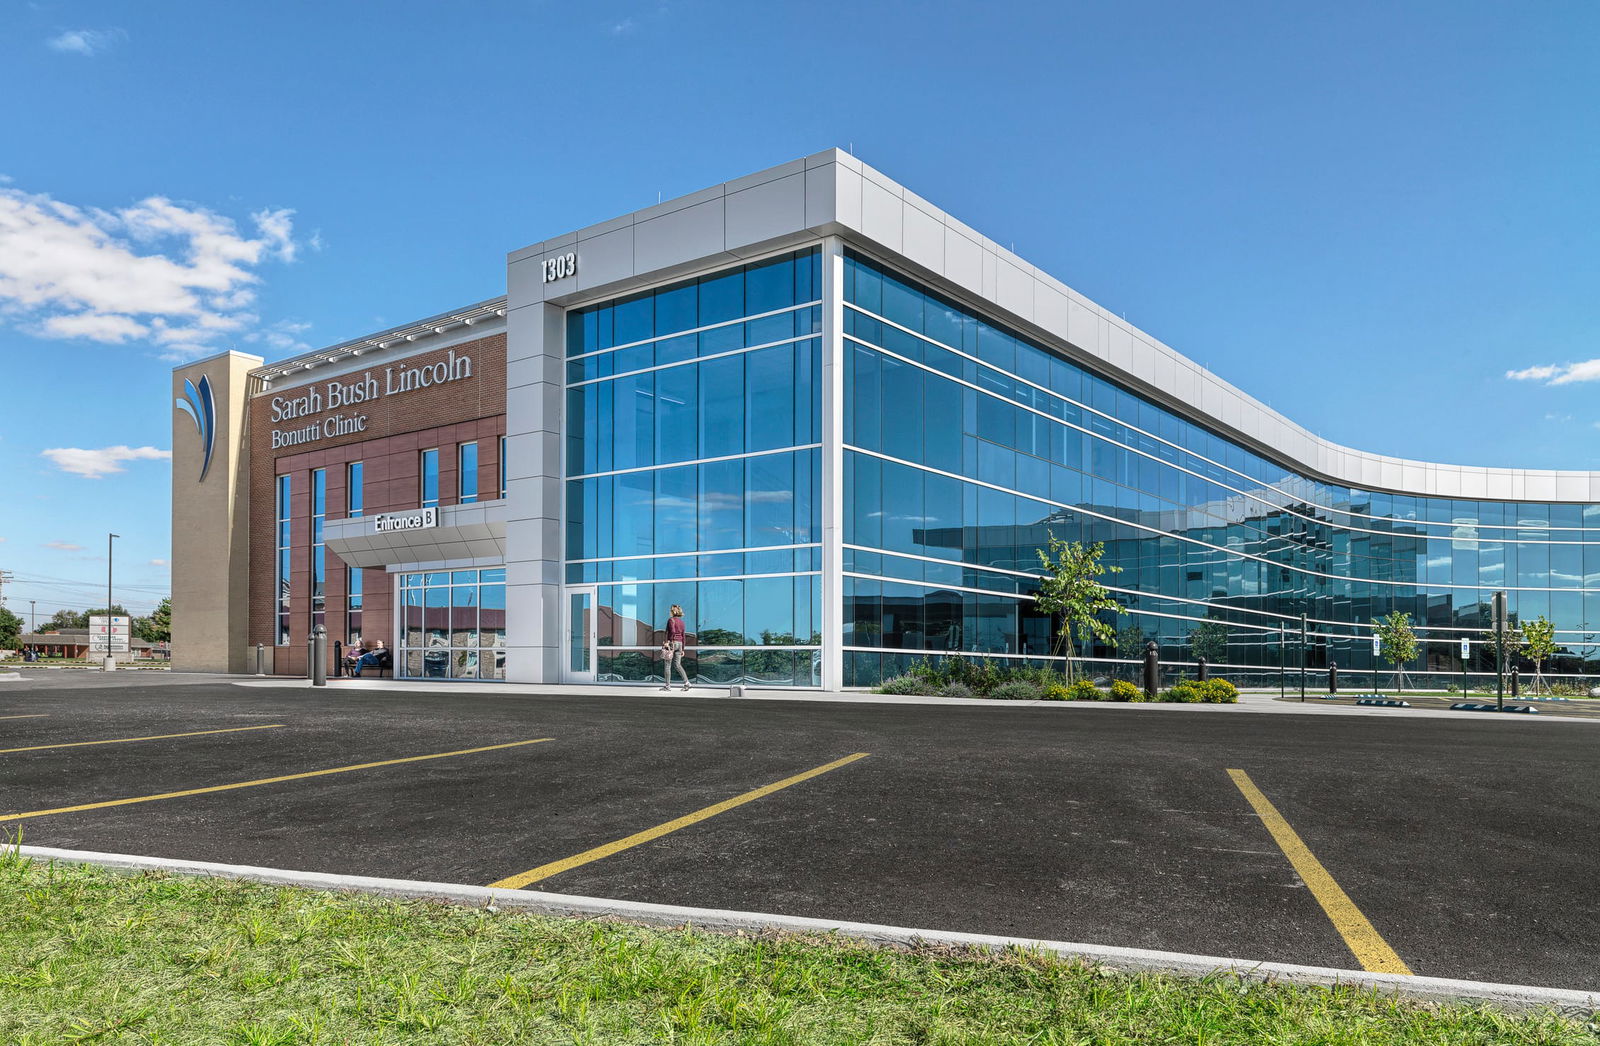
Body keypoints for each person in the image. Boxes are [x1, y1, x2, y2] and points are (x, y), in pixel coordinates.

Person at [659, 604, 690, 691]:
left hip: (672, 643)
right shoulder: (682, 622)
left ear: (673, 612)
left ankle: (668, 686)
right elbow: (683, 636)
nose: (669, 612)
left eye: (670, 611)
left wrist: (668, 642)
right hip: (679, 644)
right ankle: (687, 683)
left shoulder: (671, 620)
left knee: (667, 665)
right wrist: (683, 649)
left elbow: (671, 631)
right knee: (677, 665)